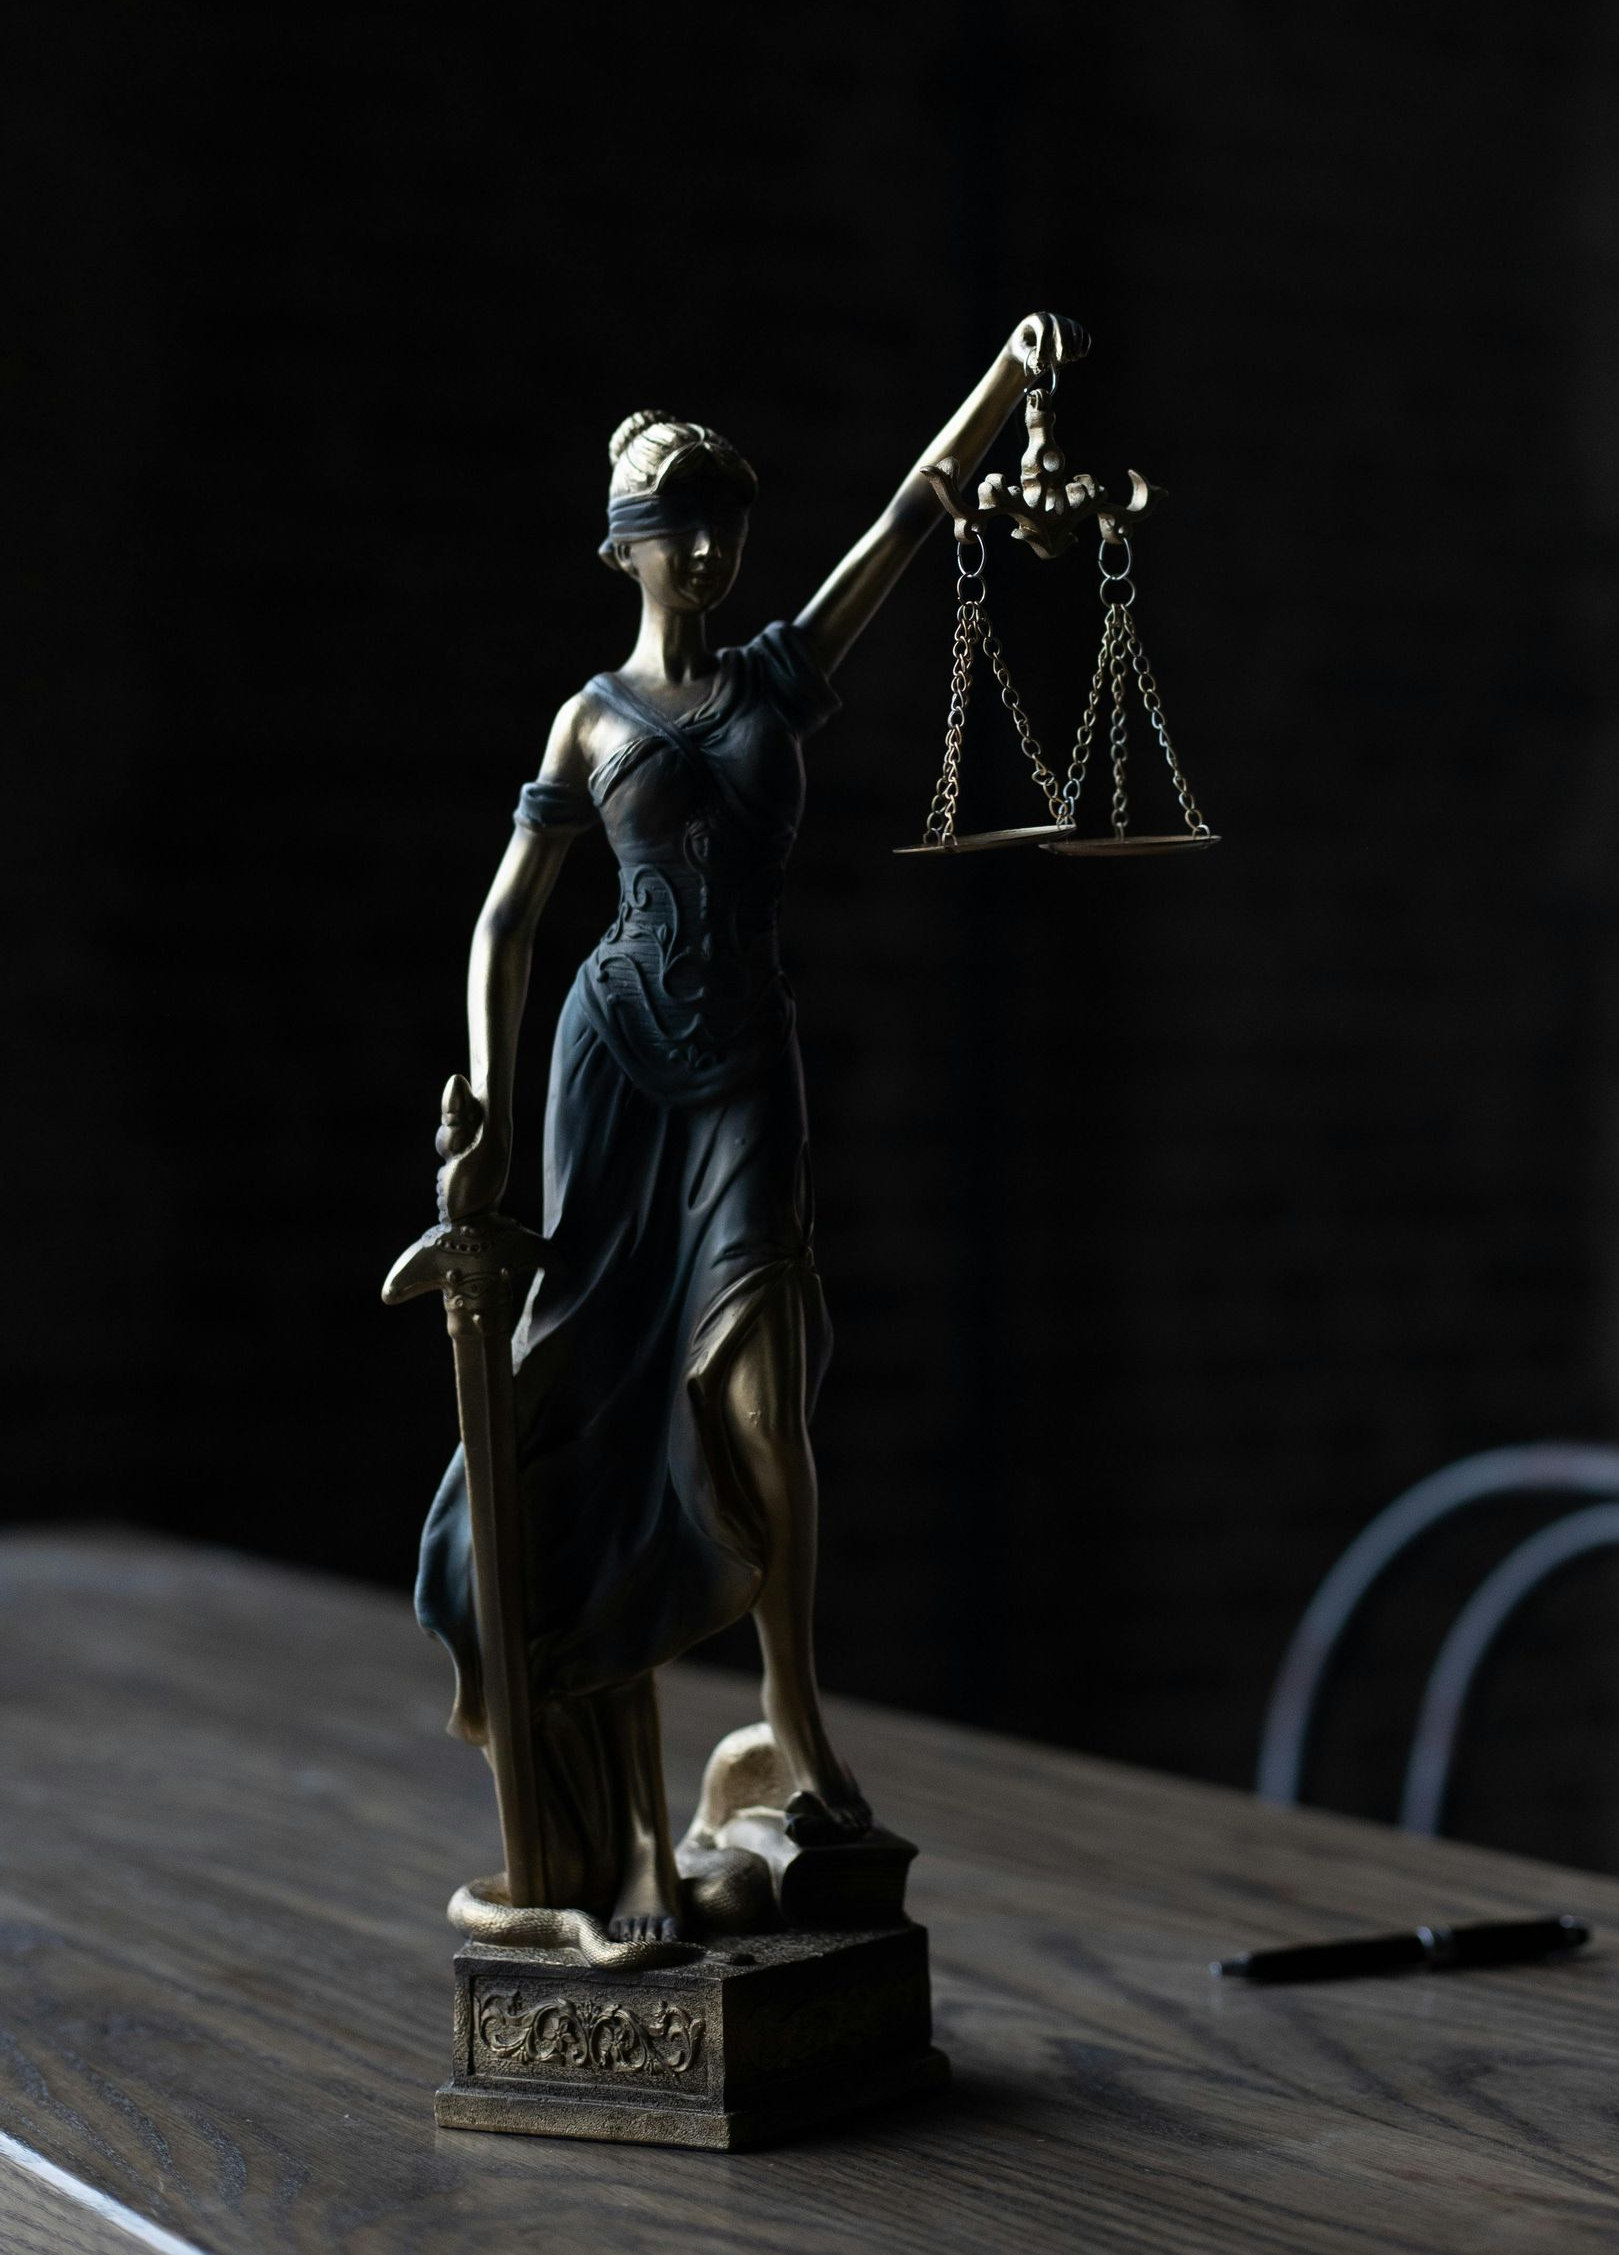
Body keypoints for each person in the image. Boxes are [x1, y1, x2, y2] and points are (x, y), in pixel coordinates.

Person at [417, 312, 1087, 1935]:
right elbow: (514, 919)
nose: (708, 549)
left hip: (742, 1073)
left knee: (763, 1389)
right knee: (598, 1408)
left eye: (727, 522)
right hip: (614, 1065)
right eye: (678, 527)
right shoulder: (589, 722)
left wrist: (1006, 389)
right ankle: (626, 1826)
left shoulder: (782, 673)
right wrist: (495, 1127)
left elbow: (916, 514)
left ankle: (793, 1714)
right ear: (623, 549)